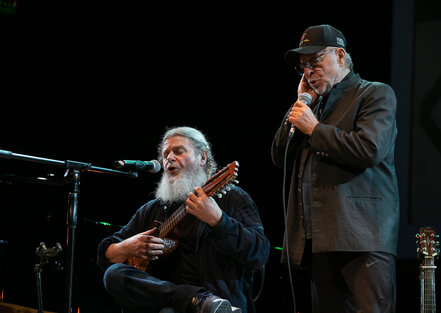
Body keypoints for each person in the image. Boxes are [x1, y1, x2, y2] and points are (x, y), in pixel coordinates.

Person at [271, 24, 399, 313]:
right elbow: (280, 156)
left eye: (314, 62)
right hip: (319, 239)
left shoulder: (375, 94)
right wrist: (300, 103)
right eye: (303, 66)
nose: (307, 72)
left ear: (340, 56)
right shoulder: (311, 107)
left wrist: (314, 130)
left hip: (362, 237)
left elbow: (370, 149)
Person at [98, 126, 270, 313]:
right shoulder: (153, 209)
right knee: (113, 274)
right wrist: (127, 247)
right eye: (165, 154)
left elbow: (259, 253)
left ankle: (203, 302)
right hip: (168, 306)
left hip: (220, 305)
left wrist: (218, 220)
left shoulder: (233, 198)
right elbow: (106, 252)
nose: (169, 158)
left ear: (203, 157)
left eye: (179, 151)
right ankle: (197, 299)